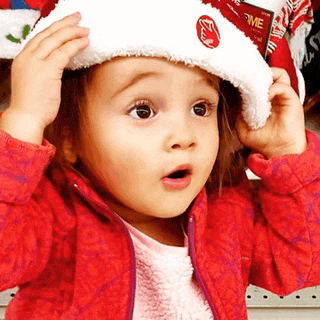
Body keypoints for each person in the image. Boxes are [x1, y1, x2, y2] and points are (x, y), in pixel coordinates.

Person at [0, 0, 319, 319]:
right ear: (68, 137)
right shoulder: (52, 219)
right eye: (143, 110)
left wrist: (289, 153)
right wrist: (24, 118)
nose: (184, 136)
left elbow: (306, 264)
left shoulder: (229, 213)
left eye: (200, 108)